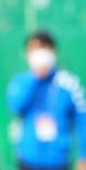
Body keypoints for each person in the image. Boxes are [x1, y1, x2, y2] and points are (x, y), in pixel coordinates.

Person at [7, 30, 86, 170]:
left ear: (53, 51)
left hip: (58, 160)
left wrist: (84, 156)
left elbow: (82, 119)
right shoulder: (21, 82)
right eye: (35, 49)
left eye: (44, 48)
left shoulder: (68, 83)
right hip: (28, 159)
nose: (40, 54)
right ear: (27, 54)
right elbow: (15, 105)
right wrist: (35, 78)